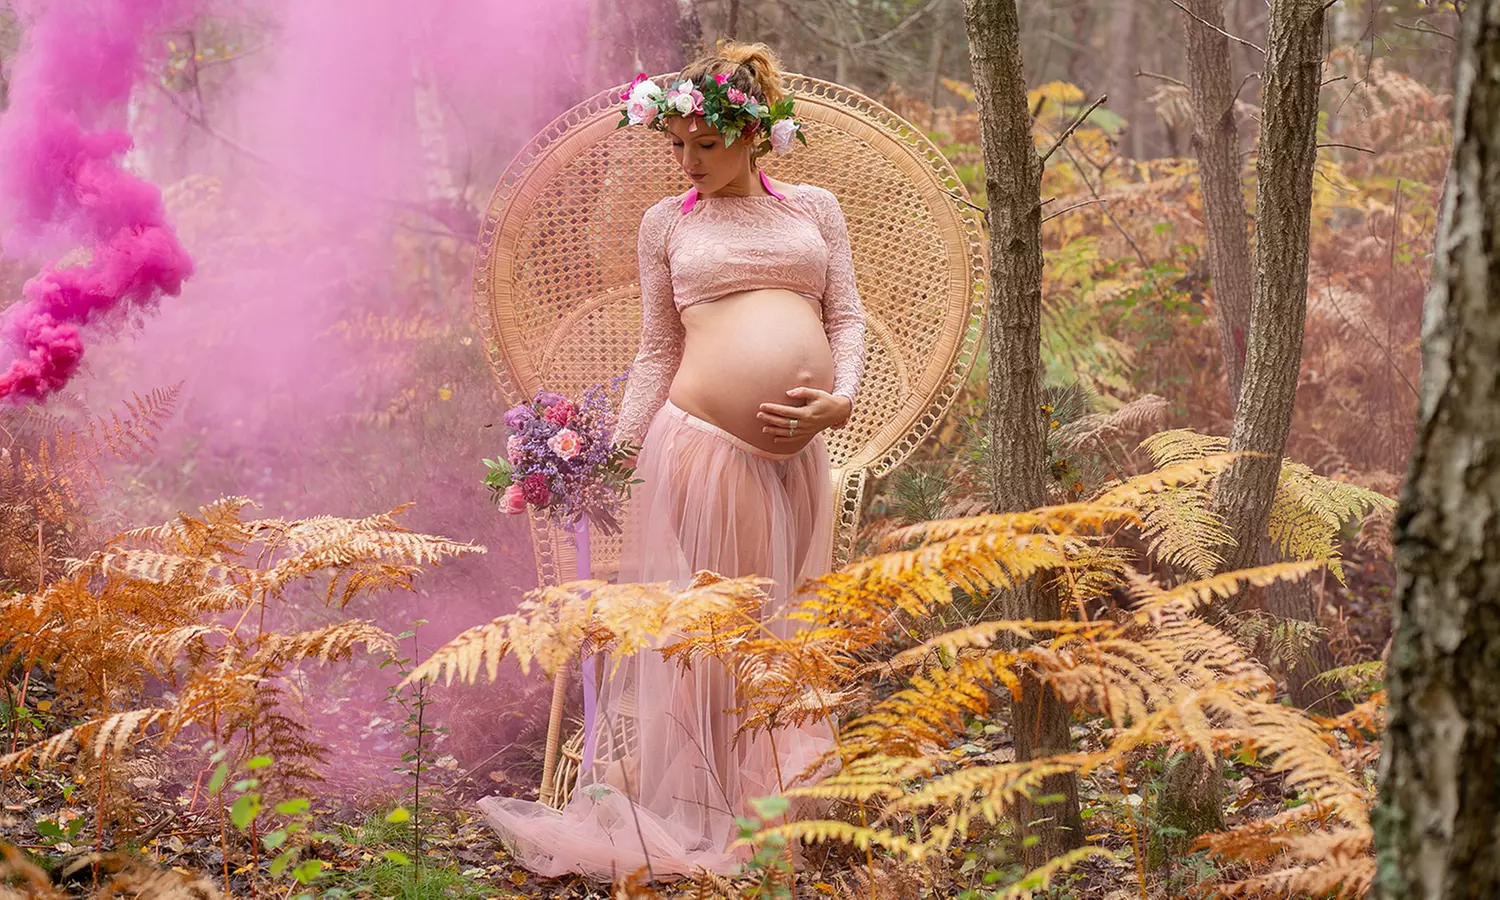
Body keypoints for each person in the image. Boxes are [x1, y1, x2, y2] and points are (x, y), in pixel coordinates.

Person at [478, 41, 866, 880]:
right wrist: (610, 461)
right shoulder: (672, 223)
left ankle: (771, 813)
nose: (688, 162)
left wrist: (843, 402)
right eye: (677, 145)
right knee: (710, 636)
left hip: (796, 460)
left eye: (706, 145)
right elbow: (657, 352)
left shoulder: (815, 211)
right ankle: (708, 816)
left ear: (753, 133)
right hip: (700, 450)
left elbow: (848, 323)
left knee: (776, 631)